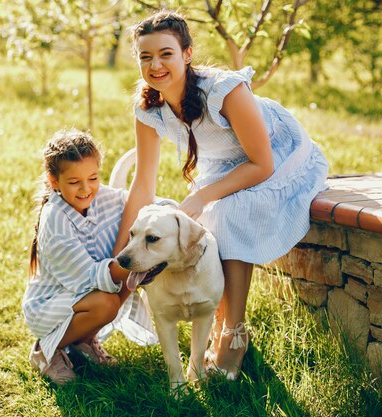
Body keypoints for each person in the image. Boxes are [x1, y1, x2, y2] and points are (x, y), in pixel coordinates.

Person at [112, 11, 329, 380]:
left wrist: (201, 198)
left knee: (224, 212)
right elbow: (143, 186)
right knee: (204, 216)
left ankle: (234, 333)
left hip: (279, 154)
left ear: (187, 53)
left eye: (166, 53)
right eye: (145, 56)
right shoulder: (147, 107)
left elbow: (262, 166)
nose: (155, 64)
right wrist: (121, 257)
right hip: (223, 165)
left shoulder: (224, 90)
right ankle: (214, 317)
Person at [22, 129, 156, 385]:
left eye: (93, 178)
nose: (86, 189)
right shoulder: (56, 220)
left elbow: (143, 205)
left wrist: (173, 214)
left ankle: (82, 343)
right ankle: (46, 350)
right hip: (50, 305)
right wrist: (136, 260)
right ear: (54, 181)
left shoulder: (104, 198)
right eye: (74, 182)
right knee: (108, 301)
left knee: (128, 280)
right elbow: (89, 280)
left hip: (83, 297)